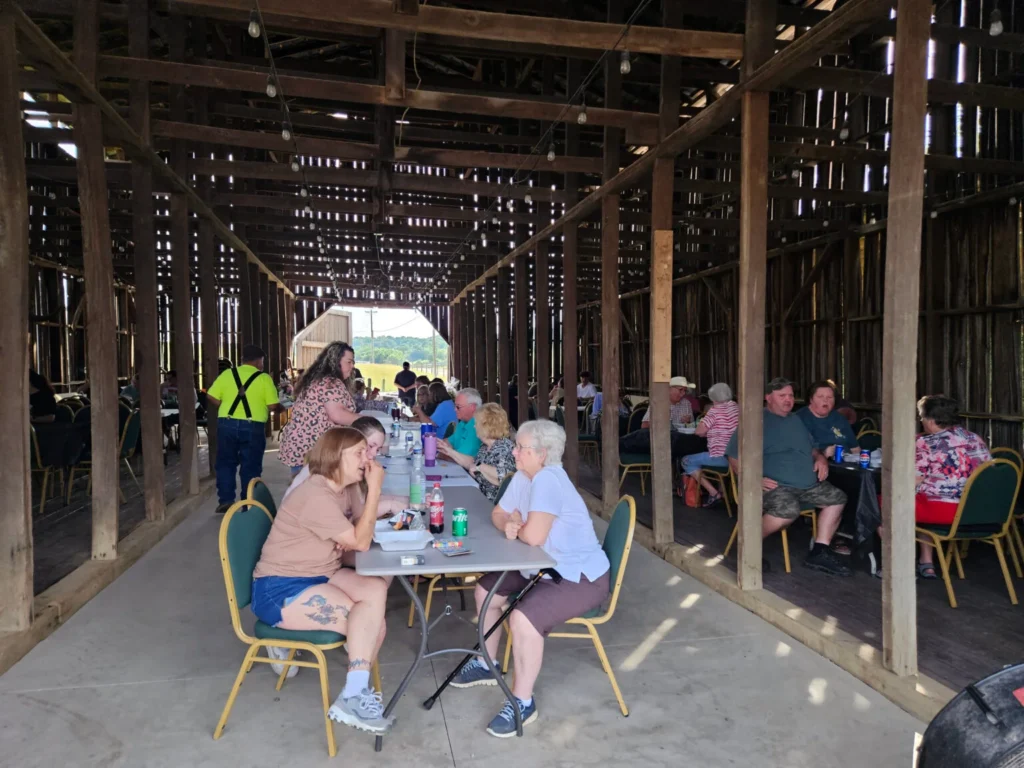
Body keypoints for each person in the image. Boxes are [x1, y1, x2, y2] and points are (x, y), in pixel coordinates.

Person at [450, 420, 610, 737]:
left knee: (522, 619)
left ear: (542, 454)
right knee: (485, 591)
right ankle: (487, 663)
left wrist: (519, 528)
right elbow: (499, 514)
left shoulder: (549, 479)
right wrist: (510, 523)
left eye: (520, 448)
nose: (514, 452)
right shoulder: (525, 476)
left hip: (577, 575)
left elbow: (534, 537)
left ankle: (523, 702)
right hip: (537, 565)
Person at [250, 427, 393, 733]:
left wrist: (353, 525)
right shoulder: (315, 494)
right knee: (370, 624)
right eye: (359, 453)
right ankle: (353, 695)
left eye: (367, 452)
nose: (367, 458)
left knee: (376, 589)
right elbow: (362, 541)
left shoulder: (347, 486)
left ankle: (354, 693)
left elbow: (360, 528)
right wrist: (374, 492)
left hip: (321, 572)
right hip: (280, 586)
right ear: (334, 457)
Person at [725, 377, 850, 576]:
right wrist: (752, 480)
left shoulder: (795, 420)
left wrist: (820, 458)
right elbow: (733, 455)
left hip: (807, 485)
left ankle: (819, 551)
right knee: (787, 510)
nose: (788, 400)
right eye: (782, 395)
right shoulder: (755, 421)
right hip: (774, 485)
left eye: (790, 395)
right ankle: (748, 546)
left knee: (838, 499)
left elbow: (811, 448)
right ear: (768, 397)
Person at [909, 395, 990, 579]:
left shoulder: (925, 442)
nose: (921, 421)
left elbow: (914, 479)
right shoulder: (974, 438)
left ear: (930, 420)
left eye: (921, 417)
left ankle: (897, 565)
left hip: (945, 511)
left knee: (882, 505)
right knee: (924, 498)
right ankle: (926, 562)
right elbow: (988, 472)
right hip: (977, 509)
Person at [205, 345, 281, 514]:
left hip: (227, 423)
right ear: (259, 361)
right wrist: (280, 407)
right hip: (253, 426)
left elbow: (211, 395)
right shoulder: (263, 378)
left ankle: (226, 500)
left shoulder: (227, 374)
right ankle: (247, 502)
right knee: (251, 465)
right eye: (262, 361)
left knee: (225, 462)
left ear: (243, 359)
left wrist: (225, 406)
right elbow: (272, 405)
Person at [283, 417, 406, 518]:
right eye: (370, 446)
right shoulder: (334, 468)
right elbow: (356, 516)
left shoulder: (342, 459)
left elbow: (362, 500)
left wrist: (407, 502)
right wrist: (389, 505)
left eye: (378, 449)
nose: (373, 454)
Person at [279, 341, 361, 476]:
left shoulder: (322, 380)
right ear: (335, 362)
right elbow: (338, 415)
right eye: (349, 362)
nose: (352, 366)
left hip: (305, 447)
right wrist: (366, 421)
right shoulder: (330, 383)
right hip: (312, 449)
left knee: (303, 485)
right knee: (311, 487)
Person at [443, 403, 515, 500]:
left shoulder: (504, 447)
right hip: (477, 495)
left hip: (491, 503)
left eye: (476, 423)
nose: (474, 426)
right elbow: (473, 464)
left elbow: (503, 477)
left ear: (487, 425)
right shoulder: (485, 446)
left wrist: (480, 467)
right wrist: (448, 451)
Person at [683, 382, 739, 504]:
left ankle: (714, 493)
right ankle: (722, 492)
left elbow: (699, 432)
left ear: (713, 398)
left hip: (721, 458)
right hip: (737, 458)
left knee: (686, 461)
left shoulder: (714, 411)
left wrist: (706, 431)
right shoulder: (736, 407)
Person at [797, 381, 859, 455]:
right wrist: (823, 454)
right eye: (820, 397)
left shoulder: (839, 418)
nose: (825, 400)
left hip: (846, 460)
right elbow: (797, 453)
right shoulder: (799, 419)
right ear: (811, 399)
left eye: (830, 397)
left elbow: (855, 449)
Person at [438, 388, 483, 458]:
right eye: (455, 406)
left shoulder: (478, 426)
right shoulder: (463, 422)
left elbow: (461, 459)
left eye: (458, 407)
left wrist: (444, 454)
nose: (455, 409)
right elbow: (447, 443)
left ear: (472, 407)